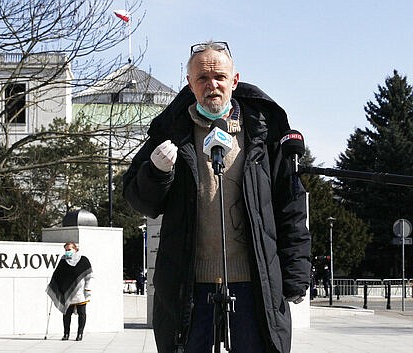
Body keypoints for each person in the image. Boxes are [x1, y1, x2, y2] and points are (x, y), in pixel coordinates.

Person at [123, 40, 311, 353]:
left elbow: (291, 206)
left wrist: (296, 273)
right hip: (189, 286)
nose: (213, 85)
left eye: (220, 77)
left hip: (254, 283)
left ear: (234, 81)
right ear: (190, 84)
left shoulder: (263, 133)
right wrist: (156, 172)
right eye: (203, 78)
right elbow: (139, 200)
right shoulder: (171, 132)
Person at [46, 241, 93, 341]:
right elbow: (57, 274)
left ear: (75, 249)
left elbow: (89, 276)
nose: (67, 252)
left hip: (80, 291)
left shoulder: (83, 260)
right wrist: (54, 285)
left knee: (82, 313)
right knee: (67, 314)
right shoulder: (63, 260)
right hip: (66, 291)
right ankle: (66, 334)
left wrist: (87, 288)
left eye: (69, 249)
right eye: (66, 250)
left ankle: (80, 334)